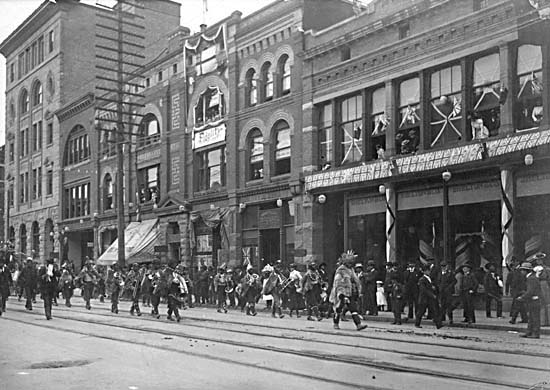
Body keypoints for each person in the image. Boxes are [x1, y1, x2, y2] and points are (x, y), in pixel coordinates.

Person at [329, 251, 368, 331]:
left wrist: (358, 290)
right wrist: (342, 295)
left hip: (350, 293)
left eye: (352, 263)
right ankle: (336, 323)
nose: (351, 264)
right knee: (338, 309)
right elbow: (338, 283)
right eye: (349, 263)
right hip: (341, 294)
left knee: (353, 308)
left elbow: (355, 280)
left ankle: (358, 324)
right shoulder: (341, 270)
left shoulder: (351, 270)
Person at [517, 262, 542, 338]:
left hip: (534, 300)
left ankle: (535, 333)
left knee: (534, 318)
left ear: (525, 271)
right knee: (531, 317)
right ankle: (529, 332)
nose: (521, 272)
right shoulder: (531, 277)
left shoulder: (531, 278)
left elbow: (530, 291)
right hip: (533, 300)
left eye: (522, 270)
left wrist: (522, 297)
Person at [415, 264, 443, 329]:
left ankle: (438, 324)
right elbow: (423, 290)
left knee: (434, 311)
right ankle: (417, 323)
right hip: (424, 298)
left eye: (429, 271)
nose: (429, 272)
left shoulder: (429, 279)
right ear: (424, 272)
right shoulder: (422, 279)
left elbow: (430, 287)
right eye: (427, 271)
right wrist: (432, 294)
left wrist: (433, 288)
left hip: (429, 299)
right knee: (421, 311)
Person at [506, 258, 528, 324]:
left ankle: (514, 319)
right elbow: (510, 282)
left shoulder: (517, 272)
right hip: (518, 290)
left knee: (518, 305)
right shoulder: (516, 272)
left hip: (519, 291)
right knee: (520, 305)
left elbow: (516, 282)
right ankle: (524, 318)